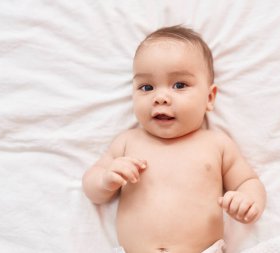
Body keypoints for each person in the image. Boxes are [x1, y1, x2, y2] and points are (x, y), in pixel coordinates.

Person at [82, 25, 266, 253]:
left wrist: (248, 202)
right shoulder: (127, 142)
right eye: (146, 87)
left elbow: (247, 182)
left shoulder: (217, 144)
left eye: (179, 85)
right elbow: (91, 188)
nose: (160, 97)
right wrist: (105, 180)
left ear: (209, 98)